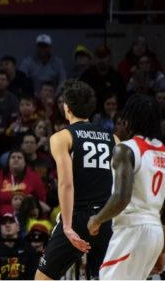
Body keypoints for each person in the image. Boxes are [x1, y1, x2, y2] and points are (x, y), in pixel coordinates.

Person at [87, 95, 165, 279]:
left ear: (129, 120)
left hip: (132, 230)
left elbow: (122, 197)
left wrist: (97, 219)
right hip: (155, 232)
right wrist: (163, 250)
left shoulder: (125, 149)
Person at [35, 80, 118, 280]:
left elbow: (66, 183)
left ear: (67, 108)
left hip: (78, 217)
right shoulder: (114, 139)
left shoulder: (61, 137)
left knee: (43, 278)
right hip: (106, 220)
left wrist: (67, 226)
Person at [0, 213, 39, 280]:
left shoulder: (29, 250)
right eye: (4, 223)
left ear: (18, 227)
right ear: (0, 228)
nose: (7, 225)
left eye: (11, 222)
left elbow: (33, 275)